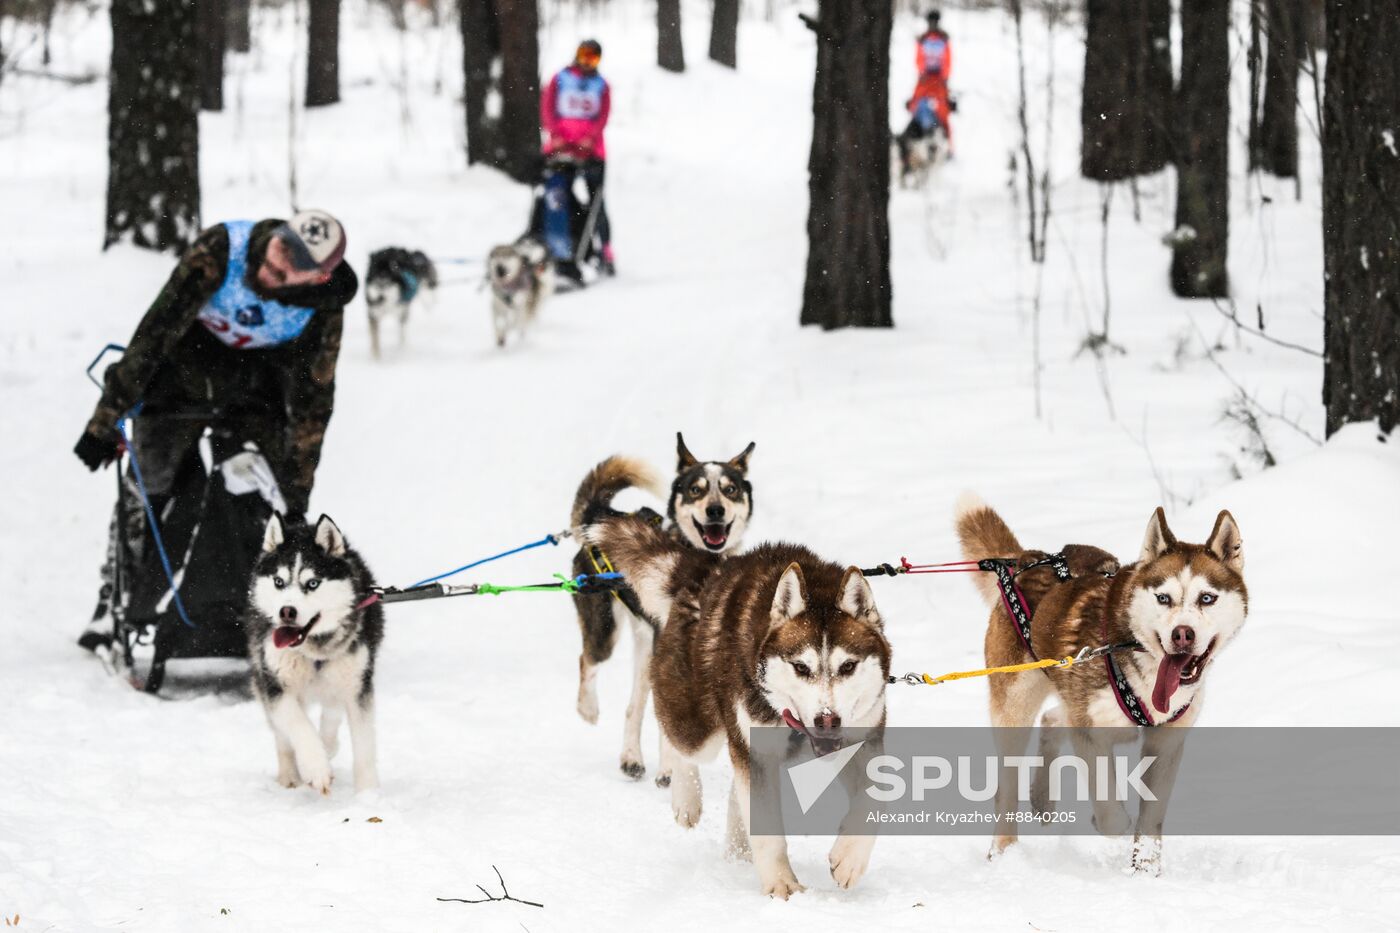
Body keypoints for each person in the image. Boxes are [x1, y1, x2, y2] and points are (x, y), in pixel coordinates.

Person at [73, 210, 357, 650]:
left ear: (316, 279)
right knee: (149, 486)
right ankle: (116, 600)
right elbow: (155, 333)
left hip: (255, 395)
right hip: (180, 382)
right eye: (276, 251)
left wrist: (297, 495)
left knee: (264, 499)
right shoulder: (223, 251)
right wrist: (105, 419)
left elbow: (313, 400)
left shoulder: (325, 305)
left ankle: (260, 610)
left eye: (286, 272)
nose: (269, 269)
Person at [540, 39, 614, 277]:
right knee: (559, 198)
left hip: (592, 153)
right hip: (561, 150)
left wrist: (590, 138)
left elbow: (602, 116)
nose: (587, 62)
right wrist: (556, 136)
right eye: (584, 56)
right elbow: (547, 109)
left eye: (593, 58)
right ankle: (562, 249)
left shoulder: (601, 85)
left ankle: (605, 250)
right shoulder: (560, 78)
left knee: (597, 203)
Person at [900, 10, 954, 166]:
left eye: (935, 21)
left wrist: (944, 77)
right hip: (925, 79)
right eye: (931, 21)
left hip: (939, 80)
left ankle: (949, 148)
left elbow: (948, 60)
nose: (933, 24)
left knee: (943, 113)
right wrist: (922, 71)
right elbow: (919, 59)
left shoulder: (943, 39)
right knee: (917, 107)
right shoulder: (923, 39)